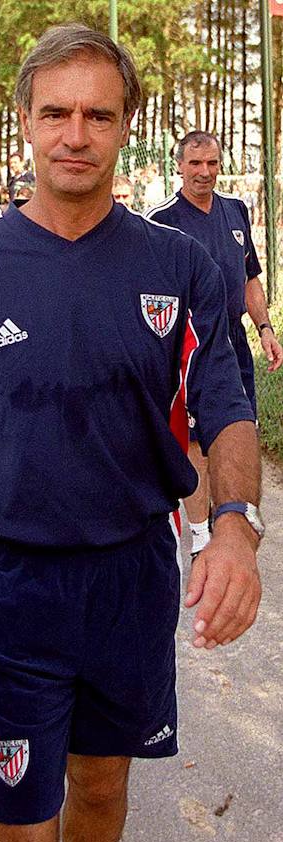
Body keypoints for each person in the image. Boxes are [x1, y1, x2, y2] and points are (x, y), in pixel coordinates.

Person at [0, 25, 263, 842]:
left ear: (123, 124)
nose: (75, 134)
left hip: (132, 578)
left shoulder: (177, 266)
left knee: (102, 785)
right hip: (14, 591)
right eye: (55, 112)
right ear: (24, 119)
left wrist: (235, 528)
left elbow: (224, 407)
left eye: (97, 115)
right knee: (20, 838)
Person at [146, 131, 283, 558]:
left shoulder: (236, 211)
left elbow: (250, 280)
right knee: (191, 441)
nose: (204, 172)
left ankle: (234, 519)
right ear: (179, 166)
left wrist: (265, 328)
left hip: (234, 343)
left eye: (212, 164)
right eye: (195, 164)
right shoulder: (161, 220)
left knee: (235, 429)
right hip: (186, 347)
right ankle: (201, 530)